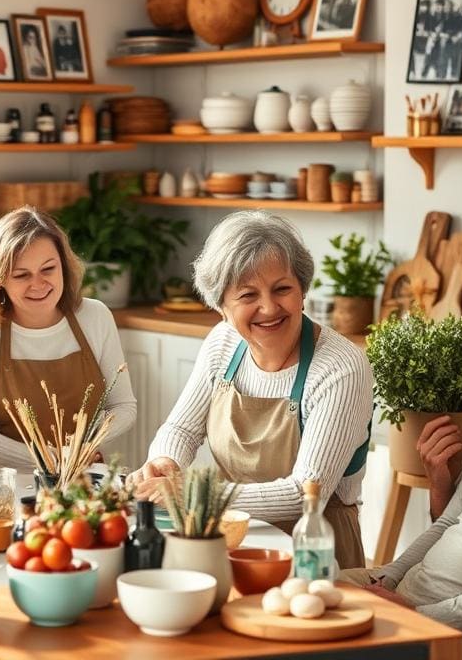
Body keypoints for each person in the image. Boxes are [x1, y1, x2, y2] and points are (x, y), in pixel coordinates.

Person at [128, 211, 373, 569]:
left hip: (314, 555)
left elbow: (302, 496)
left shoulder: (340, 367)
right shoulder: (222, 344)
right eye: (247, 295)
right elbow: (181, 428)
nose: (269, 307)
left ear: (302, 291)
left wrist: (195, 495)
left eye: (282, 289)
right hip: (232, 540)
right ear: (221, 308)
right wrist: (165, 462)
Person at [339, 239, 462, 660]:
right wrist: (387, 581)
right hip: (419, 599)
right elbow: (448, 523)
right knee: (303, 594)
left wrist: (421, 615)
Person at [0, 207, 136, 470]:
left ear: (64, 266)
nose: (38, 284)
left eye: (48, 269)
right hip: (7, 482)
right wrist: (56, 460)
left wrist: (84, 445)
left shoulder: (95, 317)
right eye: (21, 275)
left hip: (81, 475)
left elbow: (124, 406)